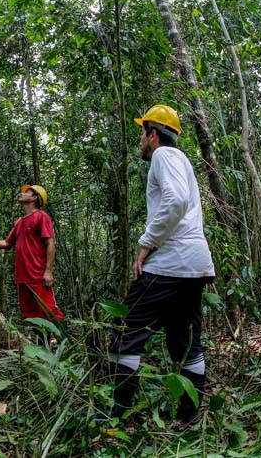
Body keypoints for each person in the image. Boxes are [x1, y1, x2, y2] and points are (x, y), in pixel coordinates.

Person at [107, 104, 215, 424]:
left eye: (142, 133)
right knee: (185, 340)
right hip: (194, 264)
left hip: (170, 262)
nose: (140, 140)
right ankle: (188, 416)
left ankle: (117, 413)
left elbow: (176, 201)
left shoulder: (163, 156)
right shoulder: (181, 160)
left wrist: (146, 243)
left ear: (152, 134)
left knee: (125, 331)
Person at [0, 185, 65, 334]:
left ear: (35, 197)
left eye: (27, 192)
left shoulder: (41, 216)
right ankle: (41, 345)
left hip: (38, 275)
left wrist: (48, 271)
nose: (22, 194)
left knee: (50, 310)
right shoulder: (19, 222)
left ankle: (64, 343)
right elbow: (7, 243)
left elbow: (50, 243)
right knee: (30, 314)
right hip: (22, 277)